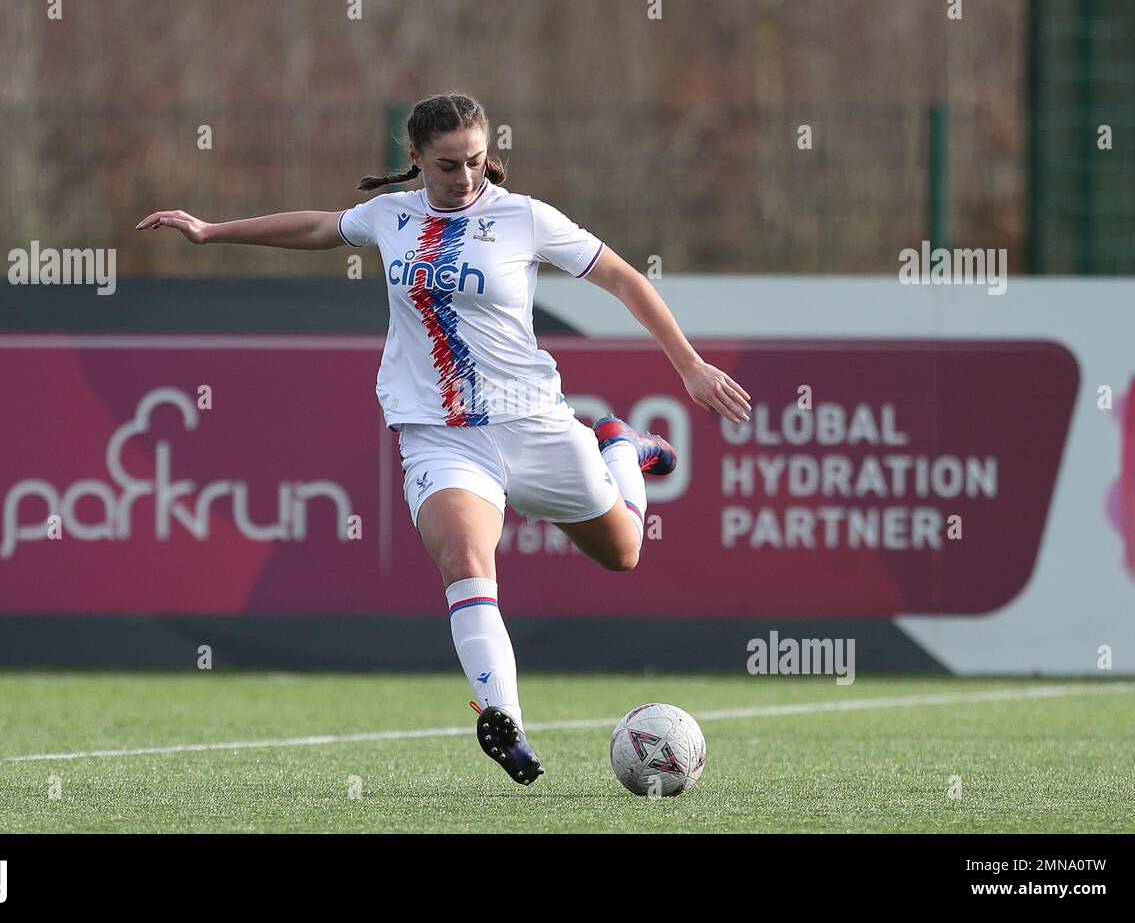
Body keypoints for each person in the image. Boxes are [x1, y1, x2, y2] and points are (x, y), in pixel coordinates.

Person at [137, 92, 751, 786]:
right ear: (416, 158)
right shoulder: (390, 216)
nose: (465, 177)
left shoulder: (524, 218)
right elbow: (318, 227)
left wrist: (690, 366)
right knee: (465, 559)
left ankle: (620, 448)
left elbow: (624, 279)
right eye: (448, 165)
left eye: (476, 162)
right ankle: (505, 721)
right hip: (440, 437)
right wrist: (211, 231)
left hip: (534, 425)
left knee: (624, 553)